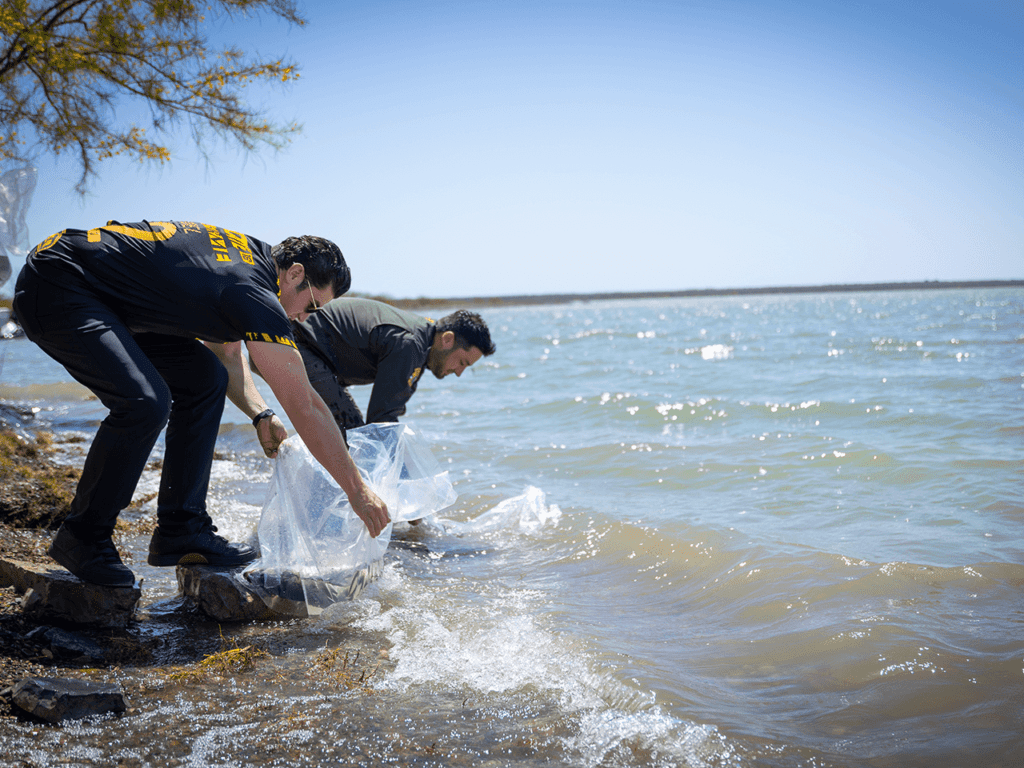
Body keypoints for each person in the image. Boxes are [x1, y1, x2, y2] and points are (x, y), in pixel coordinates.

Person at [13, 220, 389, 588]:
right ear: (295, 274)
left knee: (206, 379)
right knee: (145, 402)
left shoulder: (245, 268)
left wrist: (261, 414)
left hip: (101, 296)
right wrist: (357, 491)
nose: (303, 318)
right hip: (58, 282)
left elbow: (227, 355)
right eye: (311, 305)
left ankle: (182, 529)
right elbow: (305, 405)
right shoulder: (253, 290)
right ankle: (83, 537)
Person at [256, 297, 495, 441]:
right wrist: (405, 481)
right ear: (448, 339)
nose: (459, 373)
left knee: (356, 437)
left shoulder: (421, 346)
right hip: (294, 343)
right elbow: (380, 421)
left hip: (301, 347)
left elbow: (390, 413)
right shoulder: (410, 344)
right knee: (353, 435)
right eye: (462, 362)